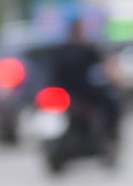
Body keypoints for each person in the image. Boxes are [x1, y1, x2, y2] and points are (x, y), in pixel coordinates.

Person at [47, 18, 119, 148]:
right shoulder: (85, 51)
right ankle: (110, 137)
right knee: (110, 104)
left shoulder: (61, 51)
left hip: (69, 95)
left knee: (110, 104)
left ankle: (108, 139)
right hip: (80, 95)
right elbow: (105, 69)